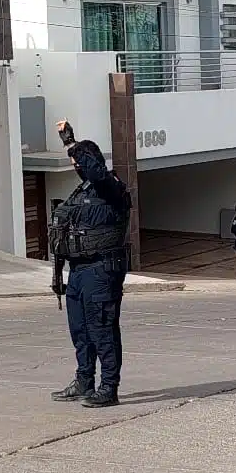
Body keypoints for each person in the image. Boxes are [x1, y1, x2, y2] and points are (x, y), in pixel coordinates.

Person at [48, 120, 132, 407]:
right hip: (79, 270)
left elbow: (96, 171)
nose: (76, 166)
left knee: (102, 329)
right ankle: (85, 381)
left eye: (79, 161)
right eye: (73, 162)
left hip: (102, 270)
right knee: (80, 330)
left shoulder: (111, 188)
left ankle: (109, 387)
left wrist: (71, 142)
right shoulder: (81, 192)